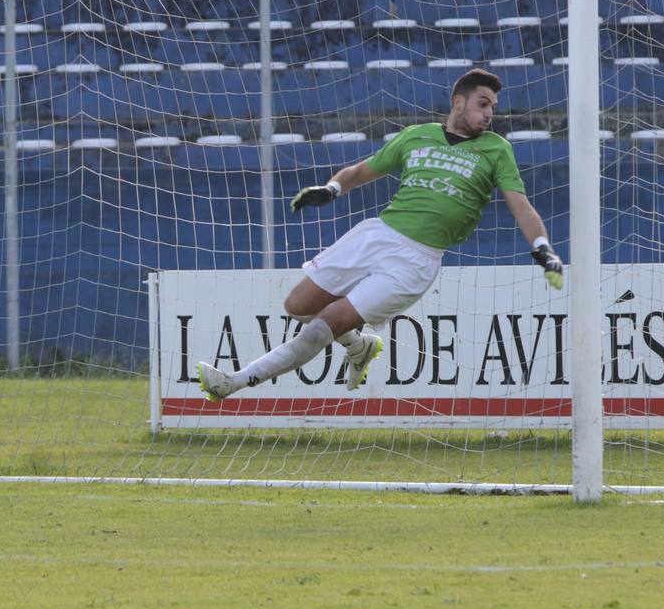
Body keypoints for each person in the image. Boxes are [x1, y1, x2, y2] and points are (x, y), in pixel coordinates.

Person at [196, 69, 563, 401]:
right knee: (297, 306)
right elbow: (360, 171)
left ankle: (232, 383)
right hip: (376, 236)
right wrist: (331, 189)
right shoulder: (416, 136)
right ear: (458, 102)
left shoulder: (497, 150)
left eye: (493, 108)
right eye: (483, 104)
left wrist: (542, 248)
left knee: (325, 325)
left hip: (414, 261)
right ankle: (359, 347)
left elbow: (521, 206)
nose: (489, 114)